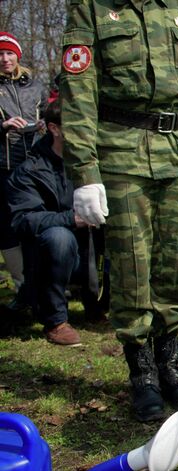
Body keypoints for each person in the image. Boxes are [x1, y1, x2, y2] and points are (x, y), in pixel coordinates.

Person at [59, 0, 178, 422]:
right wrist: (84, 170)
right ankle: (142, 373)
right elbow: (78, 89)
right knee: (132, 265)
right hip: (121, 153)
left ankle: (171, 367)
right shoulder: (93, 7)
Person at [6, 100, 103, 346]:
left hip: (90, 247)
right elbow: (24, 220)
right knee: (59, 236)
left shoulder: (94, 164)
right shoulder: (29, 171)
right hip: (51, 252)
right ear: (54, 129)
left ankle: (101, 307)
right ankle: (55, 321)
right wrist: (72, 219)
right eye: (75, 126)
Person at [0, 32, 47, 299]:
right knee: (6, 226)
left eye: (9, 53)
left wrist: (43, 125)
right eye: (0, 54)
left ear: (17, 55)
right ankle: (21, 284)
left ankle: (45, 280)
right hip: (3, 166)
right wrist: (3, 126)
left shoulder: (34, 86)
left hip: (33, 165)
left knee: (37, 222)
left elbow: (48, 114)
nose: (5, 59)